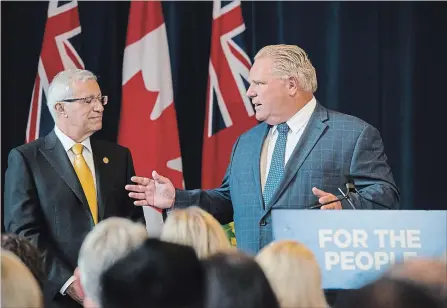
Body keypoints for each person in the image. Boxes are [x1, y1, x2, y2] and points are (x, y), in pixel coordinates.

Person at [126, 44, 399, 254]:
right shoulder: (247, 142)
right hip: (253, 285)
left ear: (291, 85)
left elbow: (385, 197)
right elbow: (229, 202)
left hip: (315, 285)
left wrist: (344, 207)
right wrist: (176, 199)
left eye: (258, 84)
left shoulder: (353, 134)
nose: (249, 93)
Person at [4, 69, 144, 308]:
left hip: (116, 294)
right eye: (88, 100)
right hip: (58, 297)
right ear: (60, 108)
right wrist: (68, 283)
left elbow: (133, 222)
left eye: (100, 99)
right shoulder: (27, 159)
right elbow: (24, 232)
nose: (99, 107)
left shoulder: (119, 157)